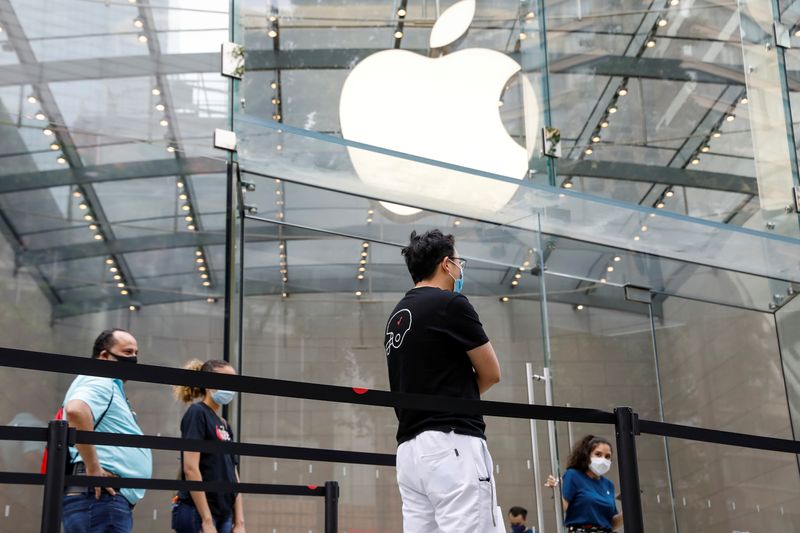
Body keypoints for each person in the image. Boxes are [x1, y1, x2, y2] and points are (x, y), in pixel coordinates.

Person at [386, 229, 502, 532]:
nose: (461, 268)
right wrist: (459, 397)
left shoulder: (398, 314)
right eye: (460, 261)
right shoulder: (451, 304)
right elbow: (491, 373)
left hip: (410, 451)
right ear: (447, 264)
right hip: (453, 443)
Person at [62, 328, 153, 533]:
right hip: (99, 497)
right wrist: (94, 469)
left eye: (136, 353)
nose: (134, 358)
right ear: (104, 356)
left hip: (98, 499)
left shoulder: (103, 382)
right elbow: (76, 410)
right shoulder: (101, 379)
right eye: (128, 352)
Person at [172, 359, 245, 533]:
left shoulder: (224, 424)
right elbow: (190, 468)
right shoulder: (197, 413)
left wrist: (240, 521)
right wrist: (206, 520)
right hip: (198, 512)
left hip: (223, 514)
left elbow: (233, 473)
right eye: (225, 379)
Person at [545, 435, 623, 533]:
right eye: (598, 454)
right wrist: (557, 490)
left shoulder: (608, 485)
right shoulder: (573, 475)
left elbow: (611, 524)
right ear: (586, 456)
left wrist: (628, 511)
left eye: (607, 456)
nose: (603, 460)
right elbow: (562, 509)